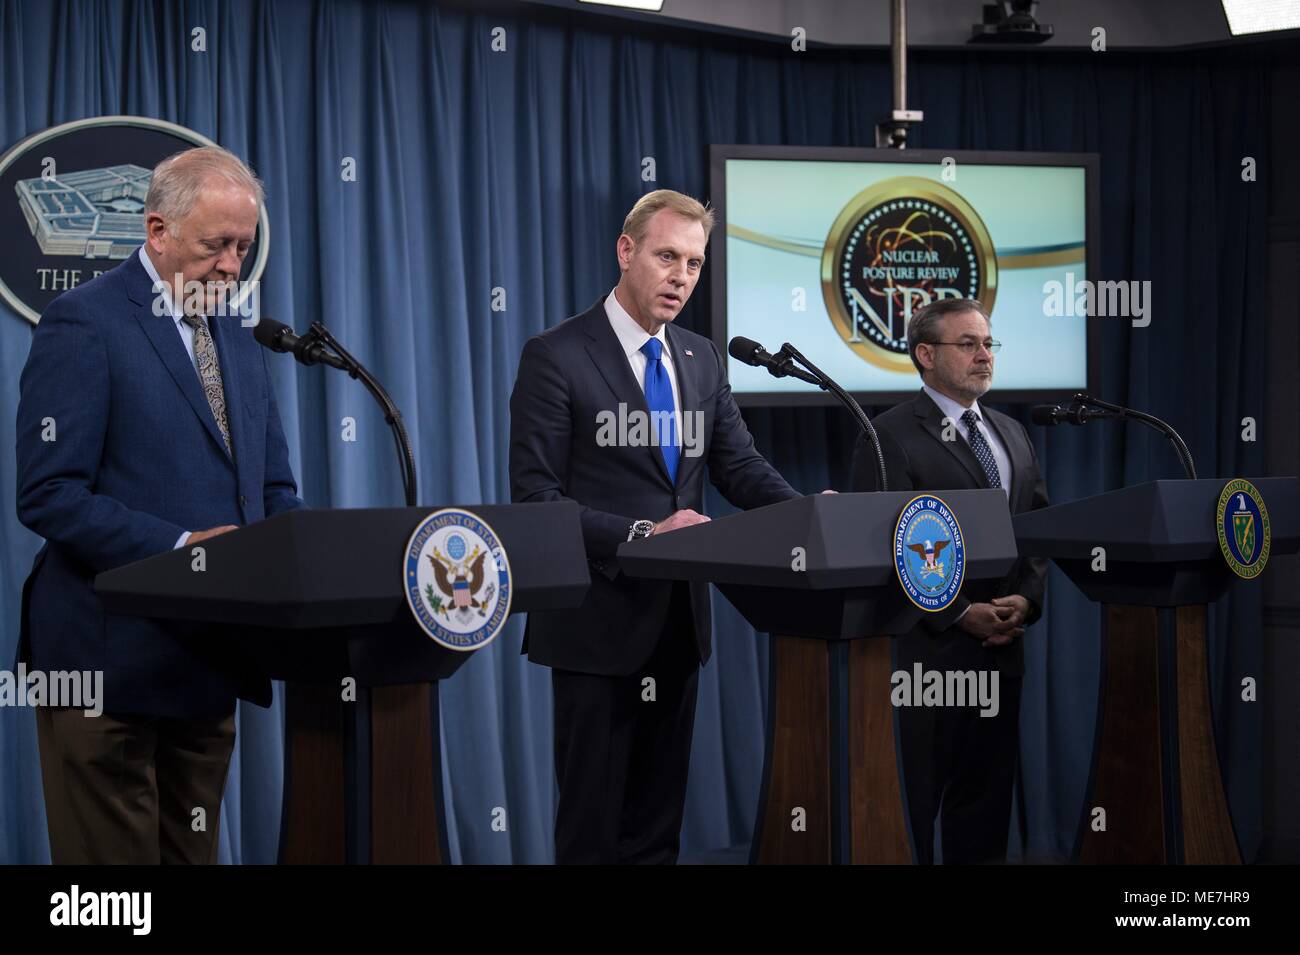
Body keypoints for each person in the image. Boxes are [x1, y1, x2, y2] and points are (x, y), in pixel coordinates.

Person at [15, 145, 305, 864]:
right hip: (104, 662)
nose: (234, 267)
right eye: (217, 246)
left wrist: (296, 553)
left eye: (243, 246)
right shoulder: (83, 322)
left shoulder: (238, 339)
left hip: (206, 668)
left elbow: (272, 489)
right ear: (157, 231)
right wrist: (184, 551)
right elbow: (49, 493)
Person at [509, 189, 804, 863]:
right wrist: (642, 537)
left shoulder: (700, 358)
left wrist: (808, 511)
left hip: (677, 625)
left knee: (655, 832)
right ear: (626, 251)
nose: (682, 276)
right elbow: (536, 498)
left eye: (695, 263)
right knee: (593, 830)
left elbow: (741, 467)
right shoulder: (555, 354)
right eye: (668, 255)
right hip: (595, 627)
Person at [851, 296, 1049, 864]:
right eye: (968, 344)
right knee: (911, 812)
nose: (984, 355)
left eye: (988, 343)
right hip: (925, 660)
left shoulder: (1011, 432)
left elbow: (1035, 526)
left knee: (984, 814)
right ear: (925, 354)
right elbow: (883, 546)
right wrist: (960, 612)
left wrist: (1026, 603)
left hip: (1001, 653)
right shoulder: (888, 434)